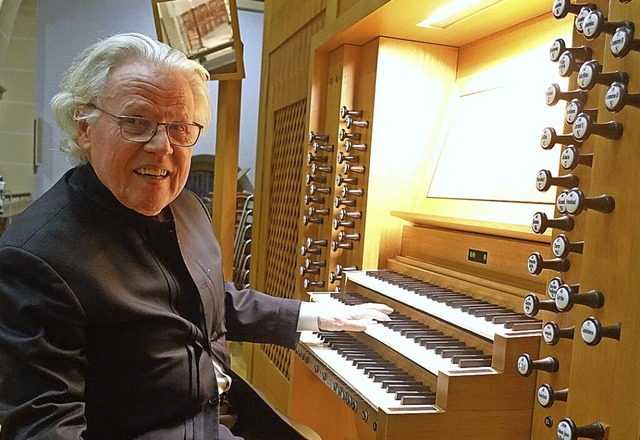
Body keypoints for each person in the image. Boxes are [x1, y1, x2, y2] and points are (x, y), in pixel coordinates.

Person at [0, 33, 392, 440]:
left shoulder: (186, 204)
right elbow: (45, 428)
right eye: (136, 122)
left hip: (220, 409)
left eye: (180, 128)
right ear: (85, 128)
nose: (161, 146)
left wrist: (311, 315)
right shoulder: (34, 259)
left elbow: (205, 301)